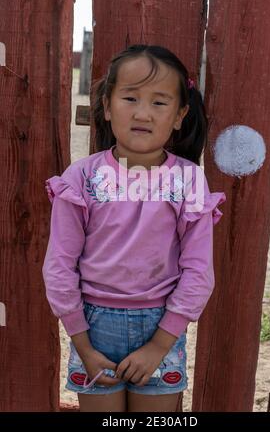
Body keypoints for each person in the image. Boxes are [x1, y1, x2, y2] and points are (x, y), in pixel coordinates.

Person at [42, 44, 226, 412]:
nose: (143, 112)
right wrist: (83, 345)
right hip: (91, 328)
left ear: (179, 115)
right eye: (130, 98)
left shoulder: (188, 181)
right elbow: (59, 266)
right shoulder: (82, 178)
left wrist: (160, 344)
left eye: (159, 102)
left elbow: (199, 271)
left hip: (162, 324)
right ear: (108, 107)